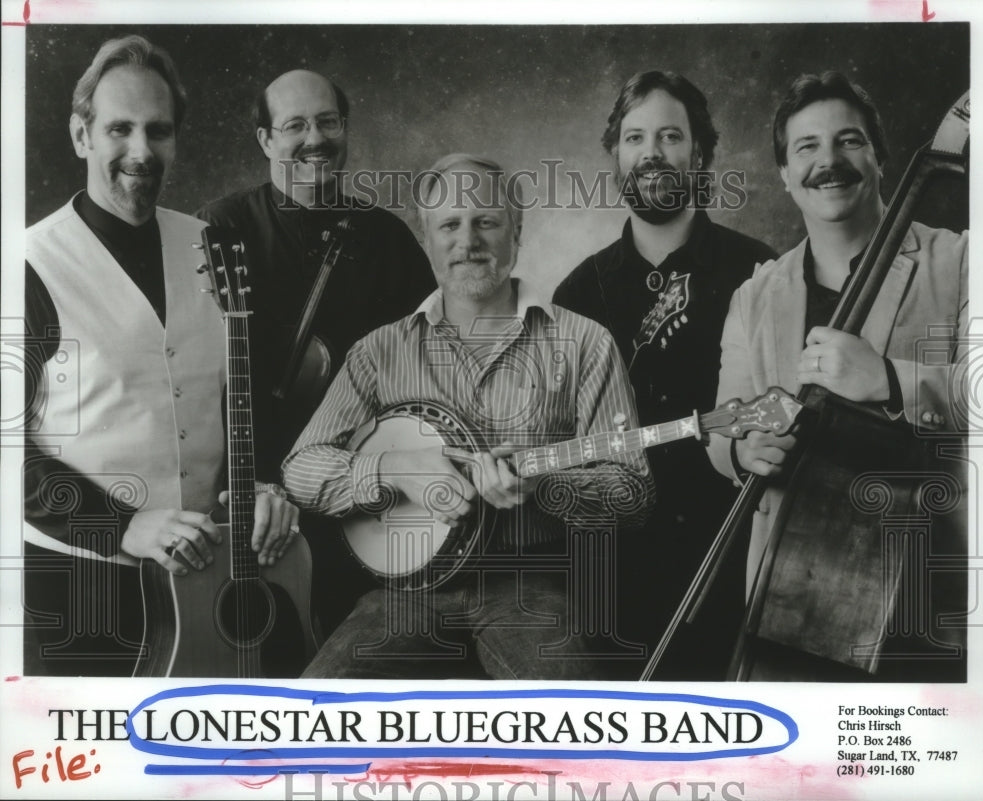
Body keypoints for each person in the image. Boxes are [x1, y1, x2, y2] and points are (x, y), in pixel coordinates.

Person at [283, 153, 656, 679]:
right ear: (428, 238)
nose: (468, 241)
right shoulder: (379, 351)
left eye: (486, 221)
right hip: (407, 591)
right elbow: (301, 470)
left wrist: (544, 487)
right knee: (309, 712)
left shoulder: (583, 343)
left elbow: (633, 492)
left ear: (517, 231)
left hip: (532, 587)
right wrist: (394, 470)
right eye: (450, 225)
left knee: (573, 727)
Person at [23, 35, 299, 676]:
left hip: (207, 583)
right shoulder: (28, 266)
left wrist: (253, 486)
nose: (142, 152)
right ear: (80, 135)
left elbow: (235, 399)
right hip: (78, 588)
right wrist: (119, 525)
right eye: (119, 128)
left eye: (159, 131)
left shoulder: (213, 244)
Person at [706, 71, 968, 679]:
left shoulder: (960, 260)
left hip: (927, 585)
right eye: (807, 147)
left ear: (880, 157)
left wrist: (889, 379)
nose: (829, 161)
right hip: (789, 591)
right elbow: (728, 419)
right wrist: (742, 448)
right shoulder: (755, 294)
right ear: (784, 176)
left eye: (849, 141)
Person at [196, 69, 436, 635]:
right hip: (247, 496)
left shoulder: (385, 236)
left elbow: (430, 372)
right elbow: (198, 378)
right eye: (295, 125)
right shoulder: (221, 225)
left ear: (346, 128)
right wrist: (245, 483)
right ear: (264, 139)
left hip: (360, 495)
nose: (315, 139)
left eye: (328, 121)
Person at [552, 70, 777, 677]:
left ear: (699, 154)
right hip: (610, 579)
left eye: (670, 136)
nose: (651, 152)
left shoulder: (761, 271)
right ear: (616, 158)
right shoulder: (575, 293)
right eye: (634, 138)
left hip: (734, 561)